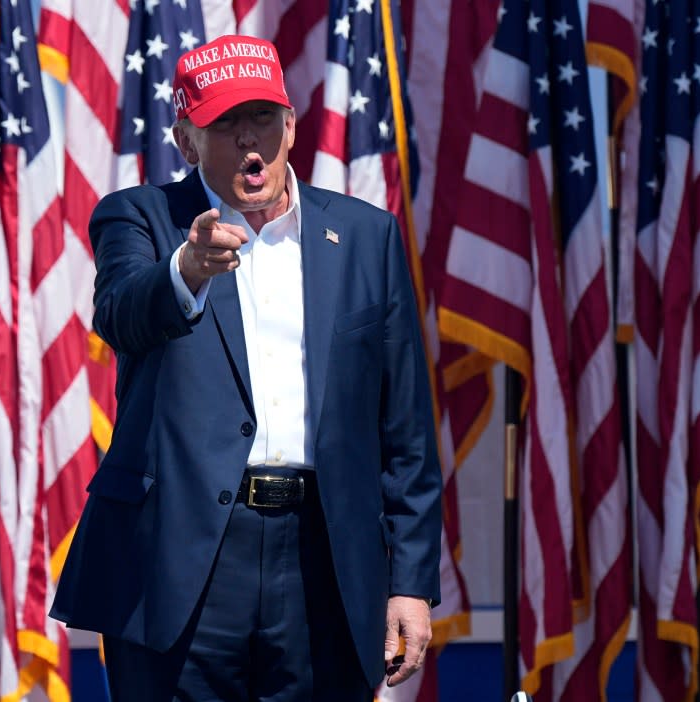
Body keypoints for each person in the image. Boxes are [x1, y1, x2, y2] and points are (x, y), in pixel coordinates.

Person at [51, 34, 442, 702]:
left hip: (324, 557)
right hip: (180, 562)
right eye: (224, 125)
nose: (248, 141)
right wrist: (188, 269)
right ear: (186, 139)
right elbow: (121, 313)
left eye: (262, 118)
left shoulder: (365, 237)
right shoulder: (142, 217)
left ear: (291, 125)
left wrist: (410, 581)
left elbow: (404, 429)